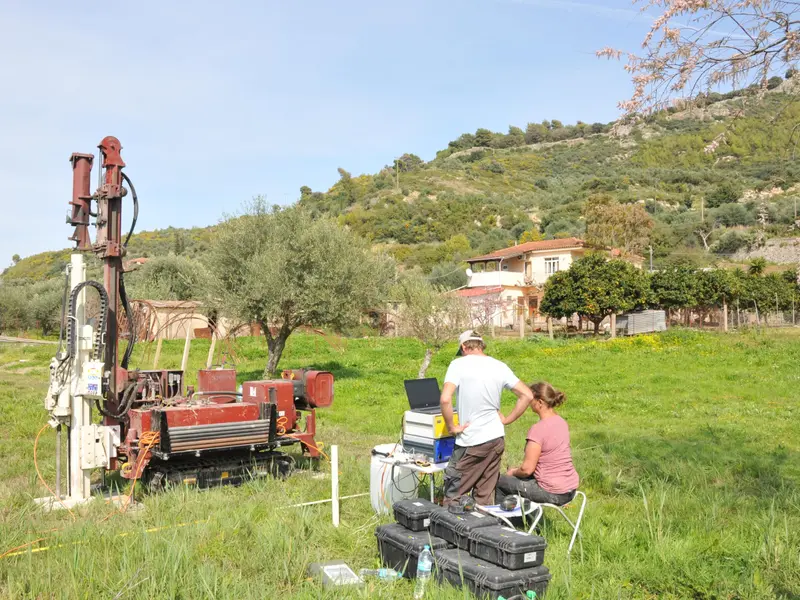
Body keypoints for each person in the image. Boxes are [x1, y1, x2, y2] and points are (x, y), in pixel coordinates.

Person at [440, 330, 534, 506]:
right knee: (485, 495)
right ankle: (481, 530)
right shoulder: (499, 366)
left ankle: (447, 530)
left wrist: (452, 427)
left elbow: (445, 398)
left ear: (463, 347)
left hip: (471, 441)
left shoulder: (458, 364)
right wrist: (507, 420)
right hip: (496, 439)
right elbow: (527, 395)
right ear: (481, 345)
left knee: (453, 493)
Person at [495, 381, 579, 506]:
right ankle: (526, 517)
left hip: (552, 492)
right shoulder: (561, 422)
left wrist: (512, 472)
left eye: (531, 399)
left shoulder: (538, 429)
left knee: (500, 482)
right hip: (570, 488)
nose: (528, 402)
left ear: (540, 402)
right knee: (518, 481)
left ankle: (505, 522)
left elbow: (527, 469)